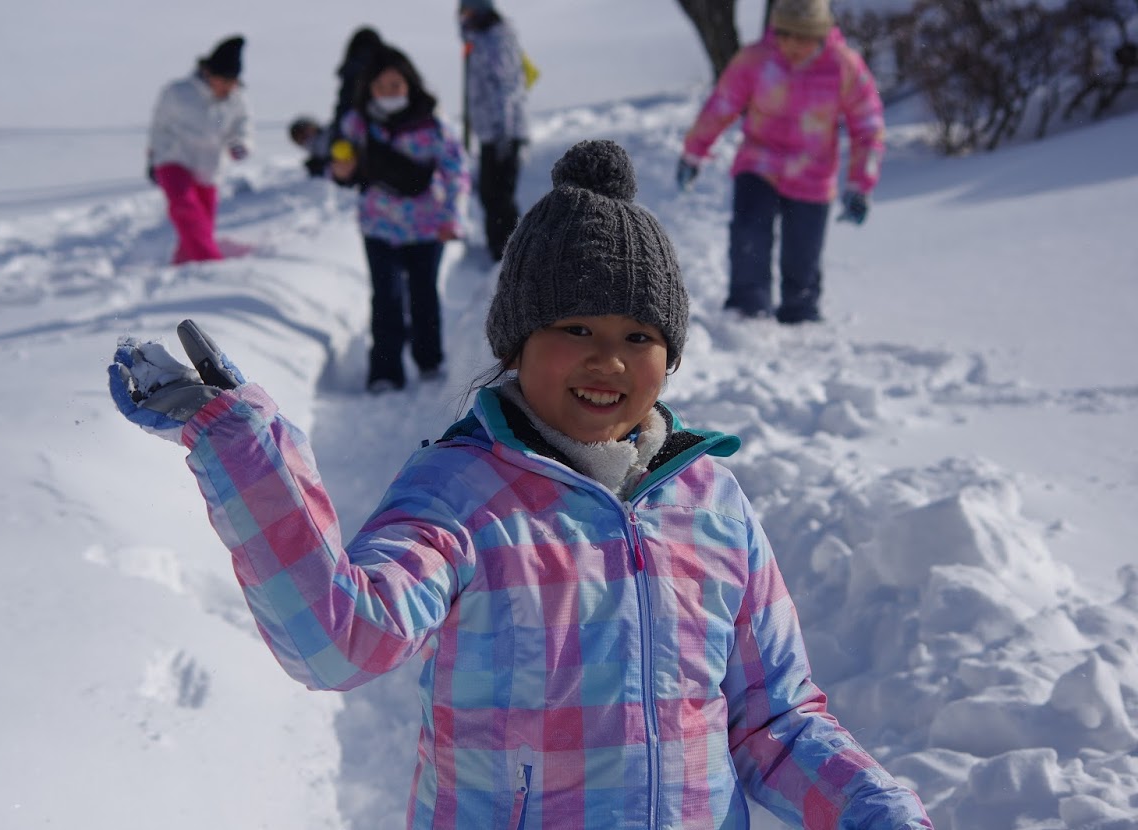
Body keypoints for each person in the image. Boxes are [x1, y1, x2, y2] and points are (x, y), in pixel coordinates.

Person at [108, 139, 934, 830]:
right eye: (575, 328)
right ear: (516, 343)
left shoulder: (711, 505)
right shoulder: (461, 493)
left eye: (638, 334)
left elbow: (774, 721)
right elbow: (338, 640)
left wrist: (873, 808)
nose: (608, 359)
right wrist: (241, 450)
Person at [676, 0, 884, 324]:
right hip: (758, 163)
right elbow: (722, 104)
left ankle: (799, 319)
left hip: (813, 175)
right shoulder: (756, 60)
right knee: (749, 234)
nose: (791, 45)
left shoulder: (843, 66)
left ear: (820, 35)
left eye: (802, 37)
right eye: (783, 35)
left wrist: (860, 184)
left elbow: (867, 127)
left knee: (802, 258)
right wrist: (694, 151)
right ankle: (747, 313)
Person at [329, 44, 468, 393]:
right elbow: (345, 170)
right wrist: (341, 170)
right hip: (379, 226)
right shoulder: (358, 124)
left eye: (396, 85)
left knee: (424, 295)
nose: (389, 93)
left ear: (410, 84)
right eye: (381, 87)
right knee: (386, 298)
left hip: (427, 226)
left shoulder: (434, 124)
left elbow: (456, 172)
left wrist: (453, 217)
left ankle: (430, 360)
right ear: (369, 90)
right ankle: (385, 372)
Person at [147, 35, 253, 265]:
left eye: (233, 82)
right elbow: (159, 125)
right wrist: (153, 157)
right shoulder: (178, 92)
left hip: (209, 167)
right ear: (209, 73)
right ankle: (212, 266)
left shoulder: (235, 100)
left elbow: (240, 126)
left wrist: (240, 143)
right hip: (174, 160)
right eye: (224, 80)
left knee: (201, 225)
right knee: (186, 210)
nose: (228, 87)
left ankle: (183, 272)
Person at [458, 0, 530, 261]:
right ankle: (499, 254)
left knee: (500, 197)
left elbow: (506, 89)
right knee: (491, 194)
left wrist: (504, 136)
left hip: (504, 134)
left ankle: (510, 255)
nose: (461, 17)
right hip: (492, 134)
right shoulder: (477, 39)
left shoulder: (496, 39)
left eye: (466, 11)